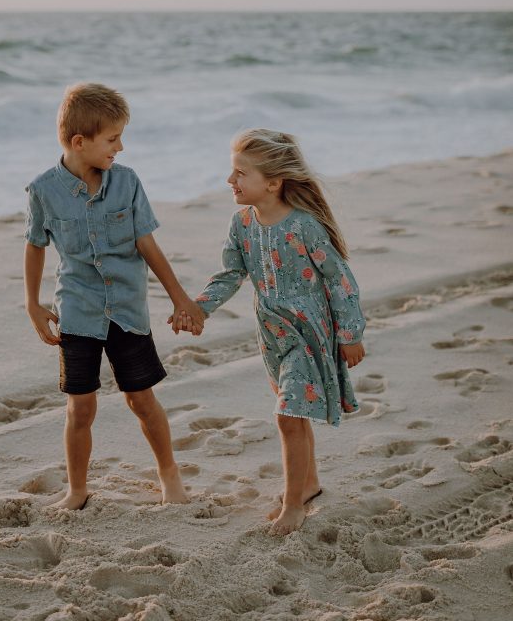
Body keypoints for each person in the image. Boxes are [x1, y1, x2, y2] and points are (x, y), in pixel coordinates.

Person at [170, 128, 366, 536]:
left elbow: (339, 280)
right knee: (293, 410)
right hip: (271, 335)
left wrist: (350, 333)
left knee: (288, 416)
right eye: (232, 172)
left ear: (273, 182)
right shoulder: (242, 223)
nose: (230, 181)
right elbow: (230, 275)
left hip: (310, 333)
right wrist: (196, 309)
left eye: (241, 173)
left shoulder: (304, 226)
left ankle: (293, 504)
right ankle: (308, 484)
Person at [24, 82, 206, 510]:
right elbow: (35, 245)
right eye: (113, 139)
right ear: (79, 141)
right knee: (80, 409)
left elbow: (148, 245)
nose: (120, 147)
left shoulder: (127, 183)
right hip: (77, 312)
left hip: (126, 309)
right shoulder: (42, 190)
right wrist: (32, 303)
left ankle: (170, 478)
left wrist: (181, 298)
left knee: (142, 399)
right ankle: (77, 490)